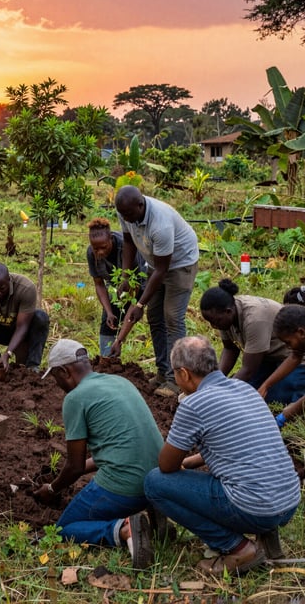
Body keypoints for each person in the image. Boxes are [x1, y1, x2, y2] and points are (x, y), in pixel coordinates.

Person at [144, 336, 300, 575]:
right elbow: (235, 447)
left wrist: (178, 463)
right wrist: (190, 462)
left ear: (184, 374)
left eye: (175, 374)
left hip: (256, 507)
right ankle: (267, 536)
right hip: (287, 501)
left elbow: (166, 466)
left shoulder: (194, 404)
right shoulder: (244, 389)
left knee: (155, 483)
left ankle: (237, 548)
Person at [32, 339, 162, 567]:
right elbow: (115, 451)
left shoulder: (75, 398)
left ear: (64, 371)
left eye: (56, 378)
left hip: (125, 487)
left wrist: (52, 489)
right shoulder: (120, 382)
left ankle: (125, 529)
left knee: (63, 530)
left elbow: (76, 467)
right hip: (157, 479)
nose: (58, 384)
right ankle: (154, 511)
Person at [110, 186, 199, 397]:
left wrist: (139, 304)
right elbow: (129, 241)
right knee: (154, 317)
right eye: (124, 216)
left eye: (130, 215)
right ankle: (162, 371)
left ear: (141, 205)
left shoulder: (160, 224)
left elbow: (162, 270)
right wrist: (125, 276)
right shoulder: (125, 211)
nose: (127, 220)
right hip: (156, 262)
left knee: (172, 318)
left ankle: (175, 380)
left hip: (180, 264)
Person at [199, 279, 305, 404]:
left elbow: (248, 369)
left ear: (228, 312)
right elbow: (230, 349)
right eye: (210, 322)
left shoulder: (254, 320)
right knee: (245, 390)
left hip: (294, 359)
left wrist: (223, 392)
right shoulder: (224, 316)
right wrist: (213, 382)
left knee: (272, 397)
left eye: (215, 321)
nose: (213, 326)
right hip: (267, 359)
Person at [86, 218, 149, 357]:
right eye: (96, 248)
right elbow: (99, 284)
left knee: (130, 312)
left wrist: (119, 340)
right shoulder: (91, 253)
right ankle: (107, 360)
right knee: (109, 321)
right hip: (116, 286)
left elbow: (134, 294)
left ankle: (117, 346)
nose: (100, 252)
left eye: (104, 247)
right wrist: (108, 312)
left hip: (138, 282)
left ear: (111, 239)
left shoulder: (126, 248)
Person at [0, 263, 50, 370]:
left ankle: (32, 366)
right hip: (0, 330)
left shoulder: (26, 288)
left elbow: (22, 326)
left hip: (22, 331)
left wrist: (8, 353)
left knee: (41, 318)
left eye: (1, 288)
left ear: (9, 280)